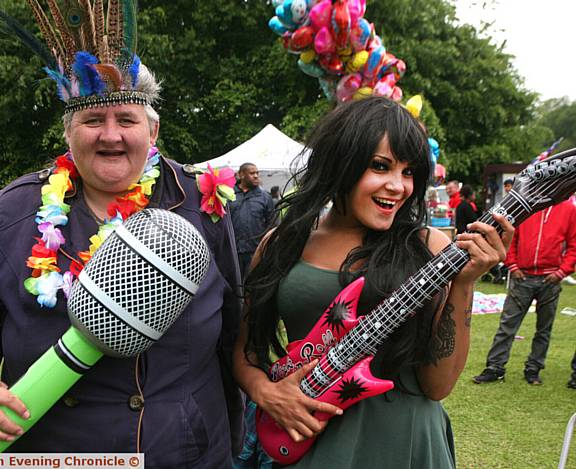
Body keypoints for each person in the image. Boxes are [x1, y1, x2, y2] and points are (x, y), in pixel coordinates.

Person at [0, 2, 244, 465]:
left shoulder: (202, 204)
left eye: (126, 120)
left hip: (182, 453)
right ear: (68, 132)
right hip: (57, 451)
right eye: (93, 121)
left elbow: (234, 328)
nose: (111, 135)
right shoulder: (15, 209)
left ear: (152, 129)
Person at [233, 97, 512, 468]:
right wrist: (265, 392)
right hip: (309, 441)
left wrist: (464, 284)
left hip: (407, 443)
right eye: (381, 166)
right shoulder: (281, 244)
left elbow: (437, 385)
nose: (398, 186)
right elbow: (245, 351)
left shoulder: (428, 247)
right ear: (340, 162)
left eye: (409, 172)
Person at [473, 199, 576, 385]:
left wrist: (562, 271)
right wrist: (512, 265)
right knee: (507, 325)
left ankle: (533, 368)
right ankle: (495, 368)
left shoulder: (569, 209)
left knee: (543, 329)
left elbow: (573, 245)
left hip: (549, 278)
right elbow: (511, 237)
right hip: (522, 276)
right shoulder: (529, 206)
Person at [228, 163, 275, 279]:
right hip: (233, 252)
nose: (256, 176)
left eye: (257, 173)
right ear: (241, 175)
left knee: (253, 284)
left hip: (255, 252)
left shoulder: (264, 197)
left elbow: (272, 224)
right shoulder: (229, 195)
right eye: (252, 173)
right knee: (234, 285)